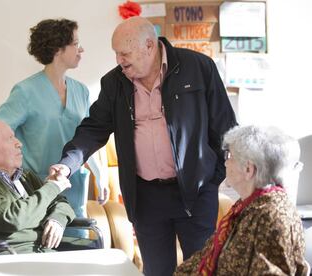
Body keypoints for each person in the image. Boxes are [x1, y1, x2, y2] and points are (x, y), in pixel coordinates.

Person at [50, 16, 237, 276]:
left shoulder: (198, 67)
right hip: (147, 197)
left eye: (124, 53)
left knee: (203, 269)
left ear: (149, 45)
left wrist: (214, 178)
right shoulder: (114, 83)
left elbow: (225, 127)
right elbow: (94, 128)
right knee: (157, 271)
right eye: (116, 54)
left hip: (195, 192)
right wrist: (68, 163)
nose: (119, 60)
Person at [0, 19, 109, 235]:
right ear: (58, 49)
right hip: (36, 189)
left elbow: (86, 136)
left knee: (75, 248)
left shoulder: (81, 91)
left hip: (73, 185)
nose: (81, 49)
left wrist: (99, 173)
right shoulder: (25, 91)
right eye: (75, 43)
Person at [175, 125, 308, 275]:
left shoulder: (272, 217)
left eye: (230, 156)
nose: (225, 162)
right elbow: (206, 256)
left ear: (248, 169)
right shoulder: (247, 204)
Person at [0, 120, 75, 255]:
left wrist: (57, 219)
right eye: (10, 138)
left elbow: (60, 202)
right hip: (7, 253)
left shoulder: (25, 175)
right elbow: (13, 219)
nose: (19, 143)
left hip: (40, 249)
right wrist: (53, 187)